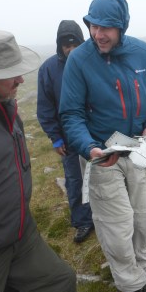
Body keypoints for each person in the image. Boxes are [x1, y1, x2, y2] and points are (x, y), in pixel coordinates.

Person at [59, 0, 146, 292]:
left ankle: (145, 272)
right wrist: (88, 147)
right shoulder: (79, 61)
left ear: (122, 26)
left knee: (142, 214)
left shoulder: (143, 53)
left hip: (138, 148)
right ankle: (132, 286)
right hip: (101, 154)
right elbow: (70, 114)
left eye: (106, 27)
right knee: (116, 222)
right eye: (93, 25)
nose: (98, 34)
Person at [0, 28, 77, 292]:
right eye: (11, 72)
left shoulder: (4, 107)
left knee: (60, 282)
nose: (21, 78)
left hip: (20, 234)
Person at [37, 20, 94, 243]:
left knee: (105, 175)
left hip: (97, 133)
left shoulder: (93, 62)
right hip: (69, 137)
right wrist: (55, 137)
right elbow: (45, 106)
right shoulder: (49, 69)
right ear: (59, 46)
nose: (70, 49)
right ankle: (82, 222)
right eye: (65, 45)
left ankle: (104, 215)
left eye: (75, 44)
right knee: (75, 180)